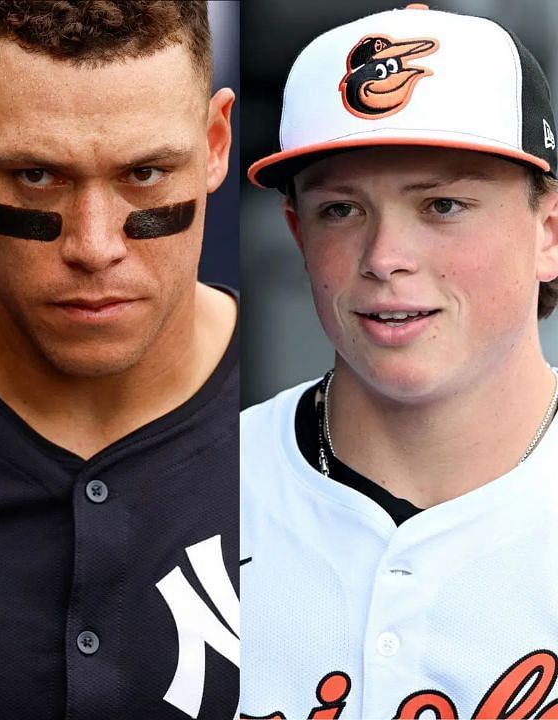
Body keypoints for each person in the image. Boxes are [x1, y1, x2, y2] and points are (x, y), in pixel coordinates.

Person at [242, 4, 558, 718]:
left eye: (442, 205)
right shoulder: (190, 494)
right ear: (296, 232)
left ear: (549, 232)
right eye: (341, 210)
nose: (386, 259)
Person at [0, 2, 239, 717]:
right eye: (37, 176)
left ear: (216, 142)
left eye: (146, 173)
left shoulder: (320, 429)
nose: (94, 246)